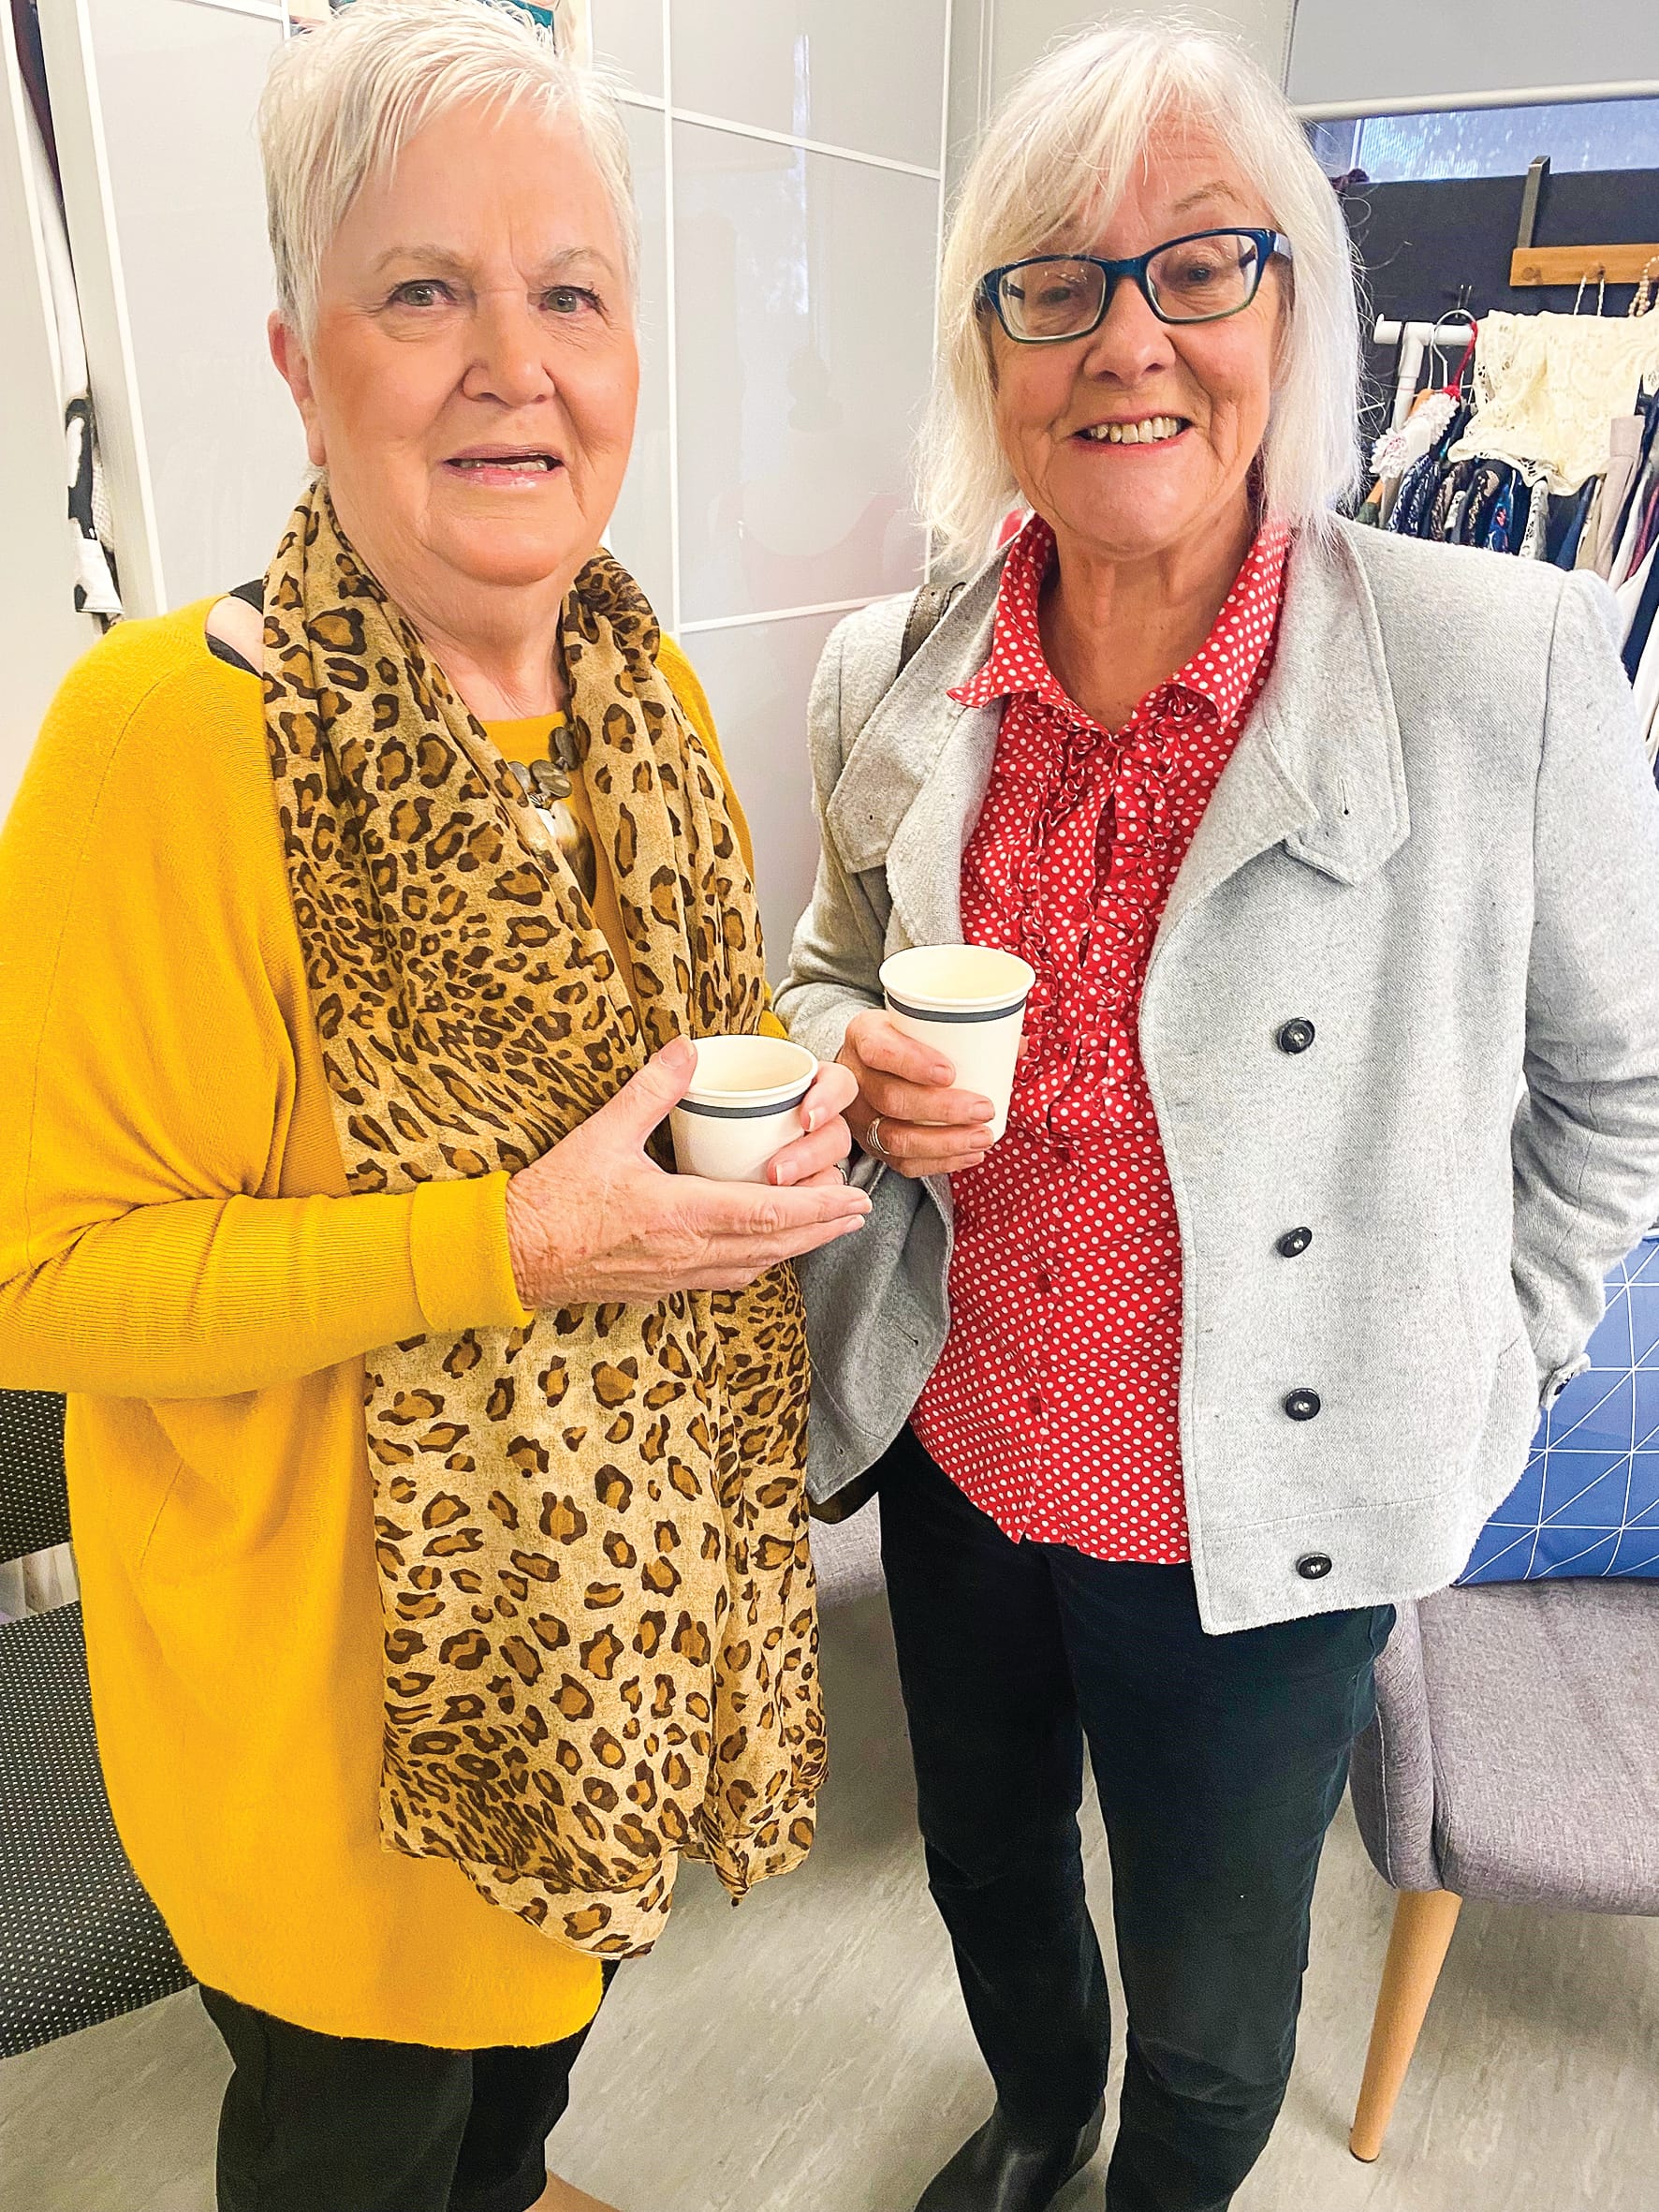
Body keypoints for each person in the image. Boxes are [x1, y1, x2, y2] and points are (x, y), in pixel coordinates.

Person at [777, 20, 1659, 2212]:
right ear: (989, 347)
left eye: (1197, 266)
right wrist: (847, 1063)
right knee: (987, 1863)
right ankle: (1032, 2116)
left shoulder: (1498, 663)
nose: (1126, 341)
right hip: (961, 1454)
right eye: (1052, 283)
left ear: (1292, 309)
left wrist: (1496, 1363)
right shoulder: (893, 668)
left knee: (1216, 1988)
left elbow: (1618, 1090)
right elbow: (820, 958)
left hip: (1266, 1519)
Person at [0, 5, 864, 2208]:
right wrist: (506, 1244)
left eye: (568, 292)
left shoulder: (649, 699)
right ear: (301, 365)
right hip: (327, 1754)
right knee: (360, 2145)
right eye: (421, 291)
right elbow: (43, 1284)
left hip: (613, 1659)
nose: (513, 364)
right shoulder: (160, 744)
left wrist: (812, 1120)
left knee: (520, 2102)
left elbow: (666, 1086)